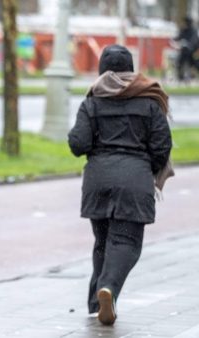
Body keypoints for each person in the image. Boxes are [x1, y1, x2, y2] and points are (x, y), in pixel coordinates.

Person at [68, 44, 173, 326]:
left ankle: (95, 304)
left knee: (102, 242)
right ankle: (109, 290)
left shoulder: (92, 101)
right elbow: (162, 146)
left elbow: (78, 144)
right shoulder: (150, 102)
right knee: (126, 242)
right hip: (135, 179)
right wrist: (143, 169)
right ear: (131, 70)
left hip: (97, 180)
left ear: (102, 70)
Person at [173, 16, 199, 81]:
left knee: (195, 64)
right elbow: (178, 37)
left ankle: (192, 75)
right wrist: (174, 40)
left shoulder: (193, 31)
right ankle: (180, 77)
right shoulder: (184, 30)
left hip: (193, 52)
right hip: (184, 51)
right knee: (180, 62)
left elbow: (194, 41)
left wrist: (189, 45)